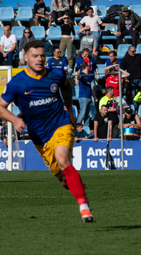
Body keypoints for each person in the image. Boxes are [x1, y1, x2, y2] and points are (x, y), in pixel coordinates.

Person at [0, 40, 93, 223]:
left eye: (42, 55)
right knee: (63, 179)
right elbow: (1, 107)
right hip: (39, 136)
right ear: (25, 58)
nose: (40, 59)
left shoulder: (56, 74)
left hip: (61, 124)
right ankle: (77, 188)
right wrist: (15, 119)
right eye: (35, 56)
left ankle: (84, 207)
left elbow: (66, 87)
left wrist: (69, 110)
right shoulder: (17, 83)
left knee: (62, 158)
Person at [76, 62, 98, 127]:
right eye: (89, 66)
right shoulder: (82, 74)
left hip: (89, 97)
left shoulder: (89, 75)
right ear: (86, 67)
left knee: (88, 114)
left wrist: (94, 97)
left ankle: (86, 128)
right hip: (83, 96)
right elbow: (78, 77)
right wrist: (78, 72)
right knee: (82, 113)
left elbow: (90, 88)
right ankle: (77, 127)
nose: (90, 67)